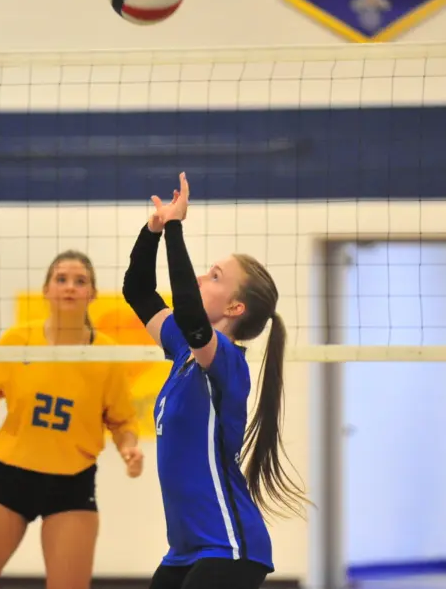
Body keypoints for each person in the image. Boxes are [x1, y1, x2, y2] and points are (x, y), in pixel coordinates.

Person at [0, 250, 143, 589]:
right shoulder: (18, 341)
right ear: (46, 290)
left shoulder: (106, 354)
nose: (70, 287)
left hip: (72, 483)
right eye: (61, 279)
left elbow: (122, 422)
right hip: (9, 477)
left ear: (92, 294)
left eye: (80, 281)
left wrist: (128, 449)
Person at [121, 172, 308, 589]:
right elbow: (138, 290)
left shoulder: (226, 361)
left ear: (235, 307)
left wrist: (176, 229)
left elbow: (189, 312)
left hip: (228, 548)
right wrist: (154, 230)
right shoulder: (183, 350)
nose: (201, 280)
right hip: (185, 550)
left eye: (215, 276)